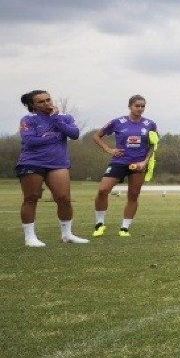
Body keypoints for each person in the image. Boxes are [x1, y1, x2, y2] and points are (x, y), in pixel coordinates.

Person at [16, 90, 89, 247]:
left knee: (64, 198)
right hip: (32, 162)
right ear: (32, 105)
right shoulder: (28, 120)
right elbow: (29, 141)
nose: (47, 103)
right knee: (31, 198)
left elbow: (74, 134)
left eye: (48, 99)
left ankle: (67, 235)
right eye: (41, 101)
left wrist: (56, 120)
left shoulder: (64, 118)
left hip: (58, 163)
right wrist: (55, 136)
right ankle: (30, 238)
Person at [91, 94, 158, 238]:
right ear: (130, 106)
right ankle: (100, 223)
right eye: (137, 106)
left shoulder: (150, 124)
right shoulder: (117, 122)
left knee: (133, 196)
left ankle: (125, 228)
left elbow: (154, 145)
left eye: (142, 106)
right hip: (119, 162)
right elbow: (97, 136)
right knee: (103, 190)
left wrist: (145, 162)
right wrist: (109, 149)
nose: (140, 109)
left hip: (138, 164)